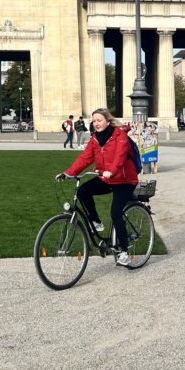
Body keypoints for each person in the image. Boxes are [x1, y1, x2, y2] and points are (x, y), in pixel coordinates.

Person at [57, 108, 139, 267]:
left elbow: (120, 157)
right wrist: (68, 173)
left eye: (99, 120)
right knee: (82, 191)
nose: (96, 124)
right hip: (107, 179)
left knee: (116, 214)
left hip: (125, 180)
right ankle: (96, 221)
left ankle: (123, 252)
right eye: (94, 121)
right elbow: (85, 158)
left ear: (108, 121)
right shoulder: (94, 139)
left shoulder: (119, 136)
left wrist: (112, 171)